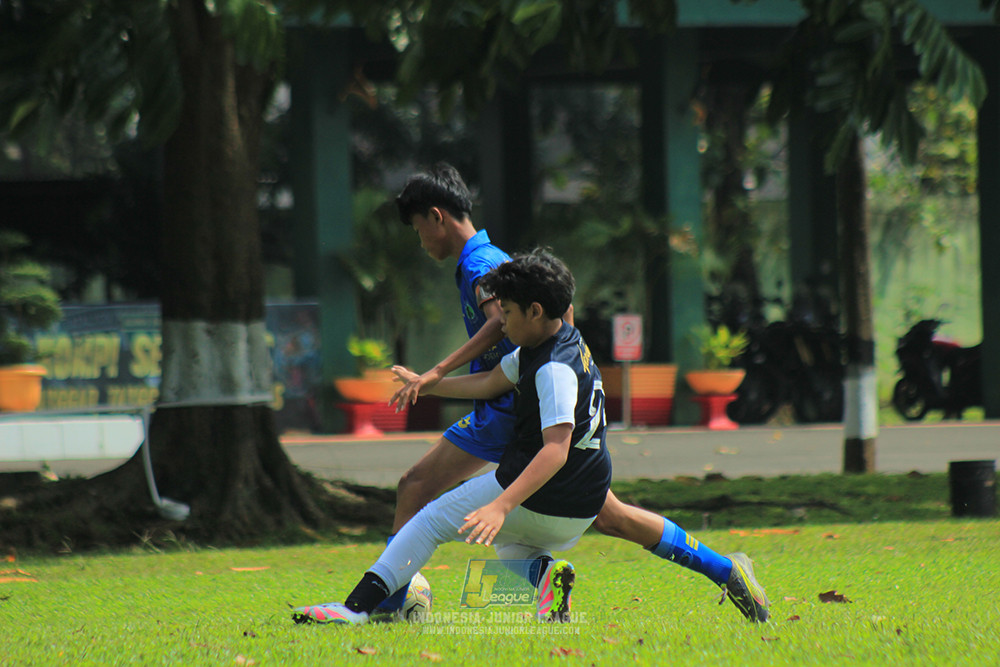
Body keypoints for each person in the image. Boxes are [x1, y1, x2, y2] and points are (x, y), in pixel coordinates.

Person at [358, 163, 768, 622]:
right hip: (522, 408)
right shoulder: (496, 266)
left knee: (418, 489)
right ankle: (724, 570)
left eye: (418, 230)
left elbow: (502, 326)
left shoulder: (480, 263)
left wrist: (437, 372)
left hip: (511, 416)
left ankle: (387, 602)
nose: (421, 242)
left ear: (437, 217)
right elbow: (554, 322)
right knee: (608, 516)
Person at [292, 249, 610, 624]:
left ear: (535, 311)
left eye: (507, 313)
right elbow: (493, 381)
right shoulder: (560, 342)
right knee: (511, 545)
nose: (502, 326)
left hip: (549, 493)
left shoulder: (552, 368)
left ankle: (357, 608)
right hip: (582, 502)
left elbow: (556, 450)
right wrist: (426, 385)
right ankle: (548, 584)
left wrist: (501, 505)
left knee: (428, 521)